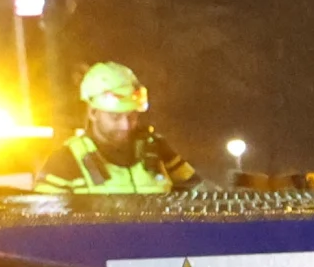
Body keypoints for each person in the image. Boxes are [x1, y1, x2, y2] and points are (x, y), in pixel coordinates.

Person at [37, 62, 198, 193]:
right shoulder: (64, 162)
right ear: (93, 113)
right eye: (115, 117)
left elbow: (201, 196)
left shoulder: (157, 149)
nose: (126, 125)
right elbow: (42, 226)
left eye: (132, 116)